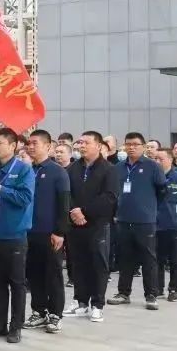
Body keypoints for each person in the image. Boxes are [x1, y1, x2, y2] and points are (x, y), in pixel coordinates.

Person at [0, 127, 35, 343]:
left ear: (13, 146)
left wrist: (1, 189)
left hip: (14, 235)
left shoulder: (23, 170)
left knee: (17, 283)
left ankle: (16, 326)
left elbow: (25, 198)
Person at [109, 132, 167, 310]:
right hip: (123, 219)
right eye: (128, 144)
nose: (131, 147)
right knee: (125, 258)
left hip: (145, 221)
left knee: (148, 259)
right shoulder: (118, 167)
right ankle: (123, 293)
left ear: (143, 147)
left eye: (135, 144)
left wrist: (149, 208)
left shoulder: (152, 166)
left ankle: (151, 295)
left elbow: (162, 191)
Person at [64, 131, 118, 323]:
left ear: (99, 145)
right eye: (80, 142)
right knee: (78, 263)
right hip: (75, 224)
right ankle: (80, 302)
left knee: (98, 264)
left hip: (97, 224)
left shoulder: (109, 169)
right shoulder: (72, 168)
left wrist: (84, 211)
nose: (82, 146)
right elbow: (66, 193)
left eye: (86, 143)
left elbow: (110, 197)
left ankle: (97, 304)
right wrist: (74, 211)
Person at [24, 129, 69, 334]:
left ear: (48, 146)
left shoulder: (57, 172)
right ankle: (39, 311)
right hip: (28, 231)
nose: (30, 146)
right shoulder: (27, 170)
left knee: (53, 274)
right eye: (29, 143)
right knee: (34, 274)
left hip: (50, 232)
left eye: (35, 143)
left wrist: (60, 231)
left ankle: (56, 314)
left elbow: (64, 204)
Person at [155, 148, 177, 302]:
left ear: (170, 159)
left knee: (176, 259)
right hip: (154, 224)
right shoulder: (151, 177)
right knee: (156, 260)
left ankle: (174, 289)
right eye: (155, 159)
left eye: (160, 159)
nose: (157, 162)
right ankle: (157, 288)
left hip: (174, 225)